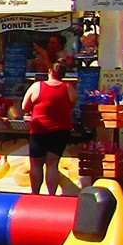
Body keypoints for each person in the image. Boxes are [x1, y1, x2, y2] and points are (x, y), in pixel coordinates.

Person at [25, 57, 76, 195]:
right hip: (60, 130)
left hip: (39, 129)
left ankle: (35, 193)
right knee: (52, 164)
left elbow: (25, 106)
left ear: (50, 71)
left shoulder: (37, 86)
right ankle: (51, 196)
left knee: (36, 164)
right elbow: (72, 104)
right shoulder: (68, 88)